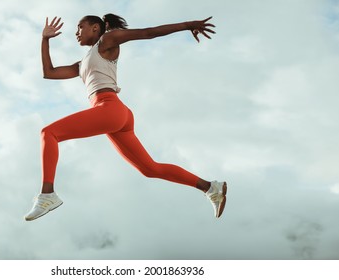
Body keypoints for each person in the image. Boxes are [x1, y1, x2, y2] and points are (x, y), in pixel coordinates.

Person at [24, 14, 227, 221]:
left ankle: (47, 194)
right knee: (150, 169)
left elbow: (149, 33)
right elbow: (49, 72)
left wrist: (187, 24)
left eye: (80, 27)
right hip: (116, 116)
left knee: (48, 132)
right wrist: (45, 39)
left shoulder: (107, 41)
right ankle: (210, 187)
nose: (76, 33)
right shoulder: (83, 62)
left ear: (95, 28)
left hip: (109, 108)